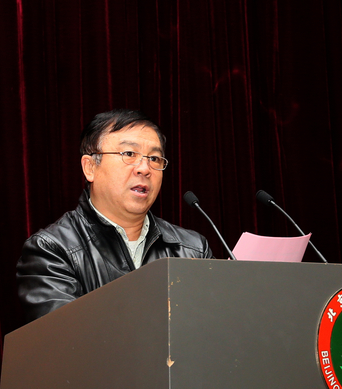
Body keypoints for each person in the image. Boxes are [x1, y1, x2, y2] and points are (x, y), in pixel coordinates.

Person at [16, 109, 213, 322]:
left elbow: (214, 327)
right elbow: (67, 336)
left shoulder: (192, 249)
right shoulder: (51, 250)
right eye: (129, 154)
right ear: (90, 167)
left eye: (154, 158)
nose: (144, 168)